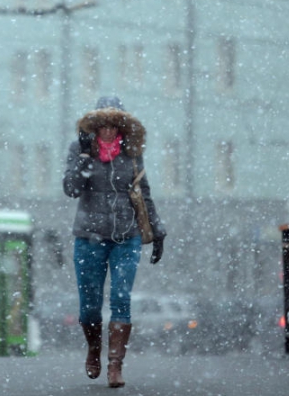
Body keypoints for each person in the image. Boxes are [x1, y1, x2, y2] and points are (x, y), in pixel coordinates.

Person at [62, 96, 166, 388]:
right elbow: (71, 189)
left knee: (121, 297)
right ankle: (94, 348)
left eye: (112, 125)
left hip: (125, 237)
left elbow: (143, 193)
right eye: (102, 125)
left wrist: (157, 231)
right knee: (89, 308)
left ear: (121, 125)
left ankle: (115, 366)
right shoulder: (78, 150)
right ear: (94, 127)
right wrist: (84, 158)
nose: (107, 131)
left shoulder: (132, 154)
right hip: (88, 238)